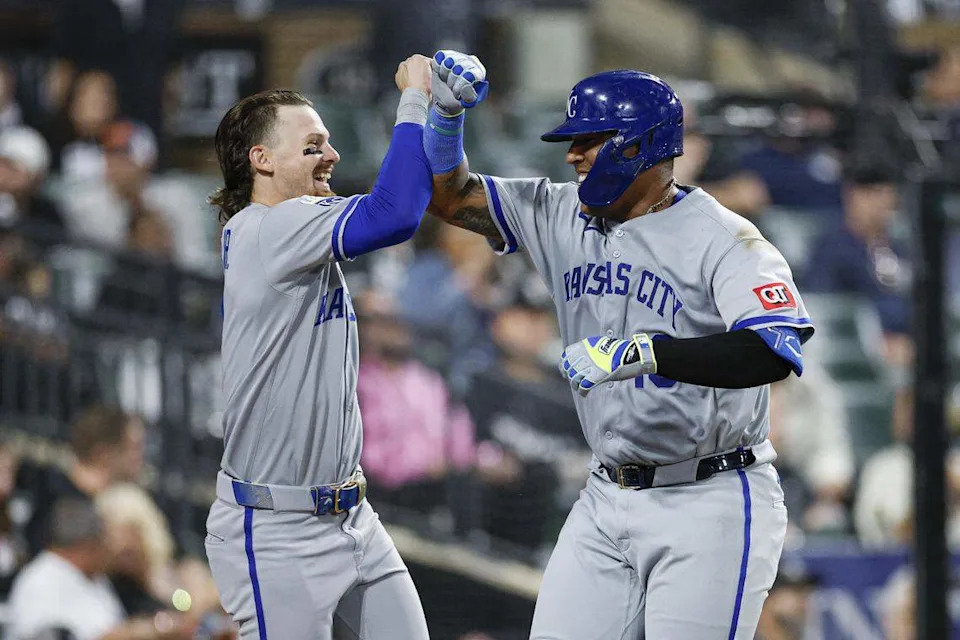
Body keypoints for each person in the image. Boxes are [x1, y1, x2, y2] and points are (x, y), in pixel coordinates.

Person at [425, 52, 814, 639]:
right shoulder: (558, 211)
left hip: (709, 497)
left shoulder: (726, 239)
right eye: (573, 141)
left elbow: (770, 352)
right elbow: (449, 199)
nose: (573, 154)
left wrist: (650, 352)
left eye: (591, 139)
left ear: (643, 145)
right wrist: (446, 119)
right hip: (606, 493)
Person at [203, 55, 435, 639]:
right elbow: (398, 213)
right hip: (276, 530)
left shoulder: (292, 232)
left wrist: (446, 120)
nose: (330, 155)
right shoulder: (269, 228)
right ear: (262, 160)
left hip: (352, 517)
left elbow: (403, 205)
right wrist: (414, 101)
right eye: (312, 146)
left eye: (327, 143)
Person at [8, 498, 193, 640]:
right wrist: (146, 631)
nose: (111, 552)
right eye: (105, 543)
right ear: (88, 546)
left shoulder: (96, 579)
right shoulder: (41, 580)